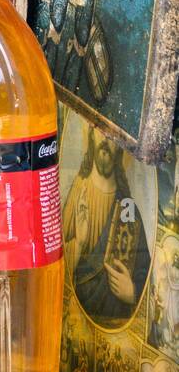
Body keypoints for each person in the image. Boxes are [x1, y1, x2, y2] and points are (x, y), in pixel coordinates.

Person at [63, 125, 151, 325]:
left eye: (113, 135)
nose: (105, 138)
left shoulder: (127, 209)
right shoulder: (77, 194)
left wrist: (132, 292)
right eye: (99, 128)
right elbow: (57, 264)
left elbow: (144, 270)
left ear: (121, 146)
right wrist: (79, 243)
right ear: (91, 135)